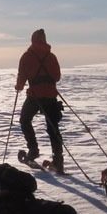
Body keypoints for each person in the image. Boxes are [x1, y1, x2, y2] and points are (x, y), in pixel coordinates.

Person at [15, 28, 63, 172]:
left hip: (35, 96)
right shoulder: (51, 56)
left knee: (24, 120)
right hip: (50, 96)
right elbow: (57, 77)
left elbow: (21, 78)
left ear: (33, 40)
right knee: (53, 128)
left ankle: (33, 149)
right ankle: (58, 161)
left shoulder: (27, 56)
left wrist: (18, 86)